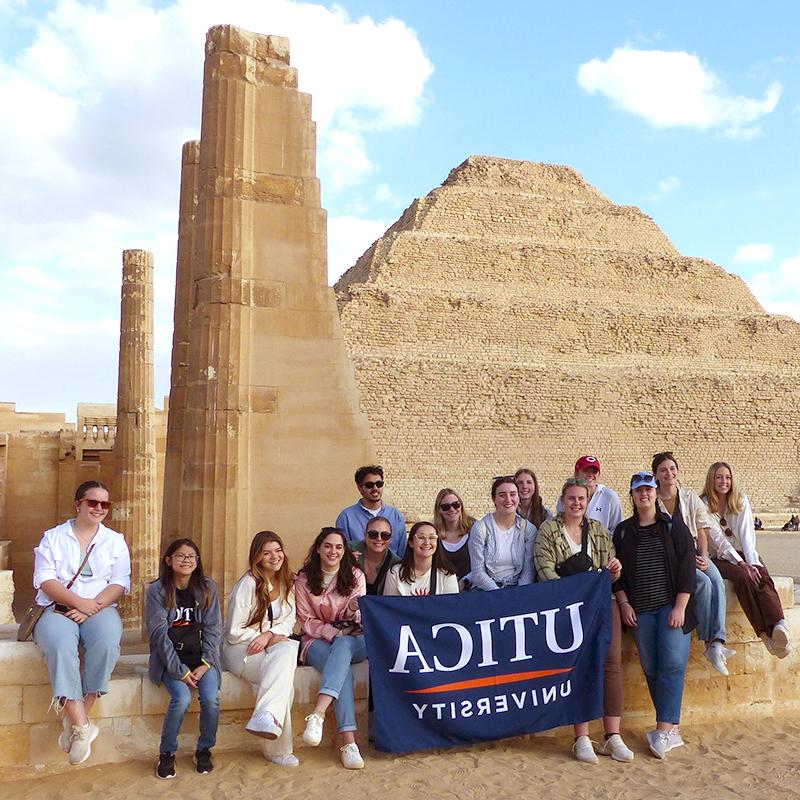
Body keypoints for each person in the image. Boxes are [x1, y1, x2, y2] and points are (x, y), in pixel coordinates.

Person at [32, 480, 130, 766]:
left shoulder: (114, 540)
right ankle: (83, 726)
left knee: (107, 644)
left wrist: (92, 607)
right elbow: (45, 579)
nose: (99, 508)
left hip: (99, 608)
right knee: (60, 646)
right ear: (79, 504)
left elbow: (120, 582)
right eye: (93, 502)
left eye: (104, 504)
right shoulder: (53, 537)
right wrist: (79, 604)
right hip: (57, 608)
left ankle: (75, 721)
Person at [534, 478, 632, 764]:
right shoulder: (549, 531)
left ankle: (612, 735)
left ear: (588, 501)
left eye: (581, 499)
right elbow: (544, 569)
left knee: (612, 664)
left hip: (602, 604)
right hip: (568, 609)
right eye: (571, 498)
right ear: (563, 500)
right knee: (579, 666)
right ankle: (582, 737)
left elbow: (611, 570)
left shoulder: (599, 532)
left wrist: (614, 569)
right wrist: (572, 594)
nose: (576, 503)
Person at [612, 472, 696, 760]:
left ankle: (663, 729)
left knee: (672, 664)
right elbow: (617, 576)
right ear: (632, 496)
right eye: (639, 491)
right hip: (641, 610)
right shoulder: (623, 532)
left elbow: (687, 569)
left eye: (649, 489)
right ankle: (670, 729)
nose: (644, 495)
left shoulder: (674, 528)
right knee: (652, 667)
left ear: (656, 493)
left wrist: (680, 607)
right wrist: (624, 604)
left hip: (671, 607)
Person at [222, 531, 299, 768]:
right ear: (257, 557)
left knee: (287, 650)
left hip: (269, 644)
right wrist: (261, 636)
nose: (274, 556)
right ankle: (278, 750)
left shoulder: (286, 581)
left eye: (278, 551)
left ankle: (265, 717)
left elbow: (289, 619)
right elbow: (234, 630)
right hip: (240, 649)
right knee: (282, 681)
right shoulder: (248, 584)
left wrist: (270, 636)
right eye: (267, 552)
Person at [652, 451, 732, 676]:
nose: (669, 473)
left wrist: (704, 557)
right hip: (672, 560)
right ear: (655, 475)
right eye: (663, 470)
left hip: (695, 552)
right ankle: (708, 639)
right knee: (704, 585)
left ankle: (718, 641)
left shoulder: (688, 496)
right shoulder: (652, 499)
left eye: (672, 468)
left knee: (716, 580)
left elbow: (701, 529)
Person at [146, 539, 221, 778]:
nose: (187, 560)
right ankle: (167, 754)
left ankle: (204, 749)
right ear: (168, 560)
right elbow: (158, 635)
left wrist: (205, 663)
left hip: (202, 659)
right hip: (172, 660)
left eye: (192, 556)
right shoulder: (157, 591)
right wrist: (181, 671)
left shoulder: (207, 588)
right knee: (181, 698)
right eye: (180, 556)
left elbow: (213, 628)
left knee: (210, 699)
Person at [295, 527, 367, 769]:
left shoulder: (356, 576)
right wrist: (333, 631)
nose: (333, 551)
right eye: (327, 546)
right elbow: (305, 619)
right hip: (316, 642)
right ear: (318, 548)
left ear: (344, 550)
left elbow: (359, 618)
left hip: (355, 640)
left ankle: (318, 713)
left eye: (338, 547)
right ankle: (349, 743)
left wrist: (349, 613)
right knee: (341, 669)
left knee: (344, 645)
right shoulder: (303, 580)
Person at [702, 461, 791, 657]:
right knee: (743, 577)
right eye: (719, 477)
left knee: (760, 574)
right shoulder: (704, 504)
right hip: (719, 557)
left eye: (727, 477)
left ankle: (779, 624)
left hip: (743, 552)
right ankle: (764, 635)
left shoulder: (740, 500)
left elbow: (747, 537)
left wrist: (752, 562)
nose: (723, 481)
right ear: (711, 479)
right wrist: (741, 563)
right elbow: (717, 540)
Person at [468, 476, 536, 591]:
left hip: (517, 589)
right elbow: (478, 572)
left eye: (512, 494)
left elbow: (528, 571)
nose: (508, 499)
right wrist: (499, 596)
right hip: (487, 590)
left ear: (518, 497)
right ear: (494, 499)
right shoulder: (480, 528)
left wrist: (519, 594)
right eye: (502, 495)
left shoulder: (528, 529)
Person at [335, 465, 406, 556]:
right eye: (369, 485)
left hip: (391, 569)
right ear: (360, 488)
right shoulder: (346, 518)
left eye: (379, 484)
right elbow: (343, 552)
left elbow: (402, 552)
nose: (375, 488)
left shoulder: (396, 516)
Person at [384, 521, 459, 596]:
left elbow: (451, 606)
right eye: (421, 537)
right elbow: (389, 606)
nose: (426, 542)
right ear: (411, 542)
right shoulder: (395, 573)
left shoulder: (447, 574)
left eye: (432, 538)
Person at [556, 455, 622, 532]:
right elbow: (560, 524)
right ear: (576, 474)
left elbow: (617, 528)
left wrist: (603, 542)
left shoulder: (610, 496)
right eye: (586, 471)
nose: (590, 475)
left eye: (594, 472)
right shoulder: (566, 498)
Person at [432, 487, 475, 587]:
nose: (452, 509)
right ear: (439, 510)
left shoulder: (475, 530)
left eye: (456, 505)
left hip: (472, 589)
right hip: (443, 590)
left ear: (461, 507)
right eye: (446, 507)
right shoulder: (433, 534)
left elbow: (484, 563)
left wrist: (465, 581)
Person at [349, 516, 401, 596]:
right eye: (373, 534)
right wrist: (343, 562)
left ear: (390, 539)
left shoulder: (395, 564)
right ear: (365, 535)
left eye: (385, 535)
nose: (379, 538)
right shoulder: (347, 549)